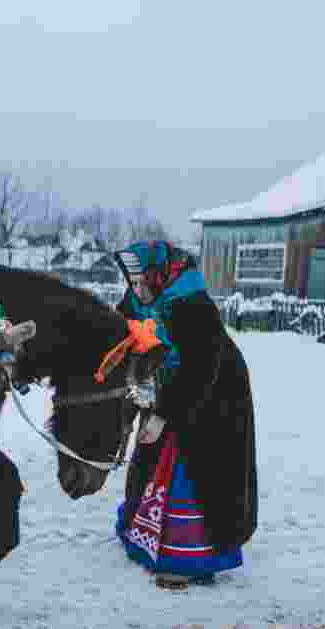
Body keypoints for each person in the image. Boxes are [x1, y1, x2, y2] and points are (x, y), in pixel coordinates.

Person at [112, 240, 258, 589]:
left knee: (192, 469)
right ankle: (144, 534)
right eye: (132, 283)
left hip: (214, 396)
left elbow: (200, 367)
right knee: (151, 458)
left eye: (142, 281)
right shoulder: (138, 300)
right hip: (168, 388)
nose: (137, 289)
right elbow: (118, 335)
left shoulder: (191, 305)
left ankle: (189, 557)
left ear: (158, 274)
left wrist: (164, 413)